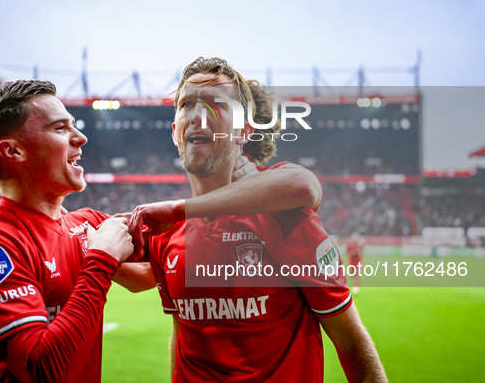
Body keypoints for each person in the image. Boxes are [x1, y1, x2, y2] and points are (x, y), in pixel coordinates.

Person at [131, 57, 387, 382]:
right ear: (175, 132)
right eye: (187, 105)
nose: (198, 116)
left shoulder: (285, 218)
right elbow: (181, 333)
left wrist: (178, 209)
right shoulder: (166, 232)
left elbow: (352, 344)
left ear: (244, 131)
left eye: (215, 105)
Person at [0, 80, 135, 383]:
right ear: (13, 150)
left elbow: (154, 270)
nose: (82, 138)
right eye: (60, 128)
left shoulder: (86, 224)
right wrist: (100, 261)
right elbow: (43, 371)